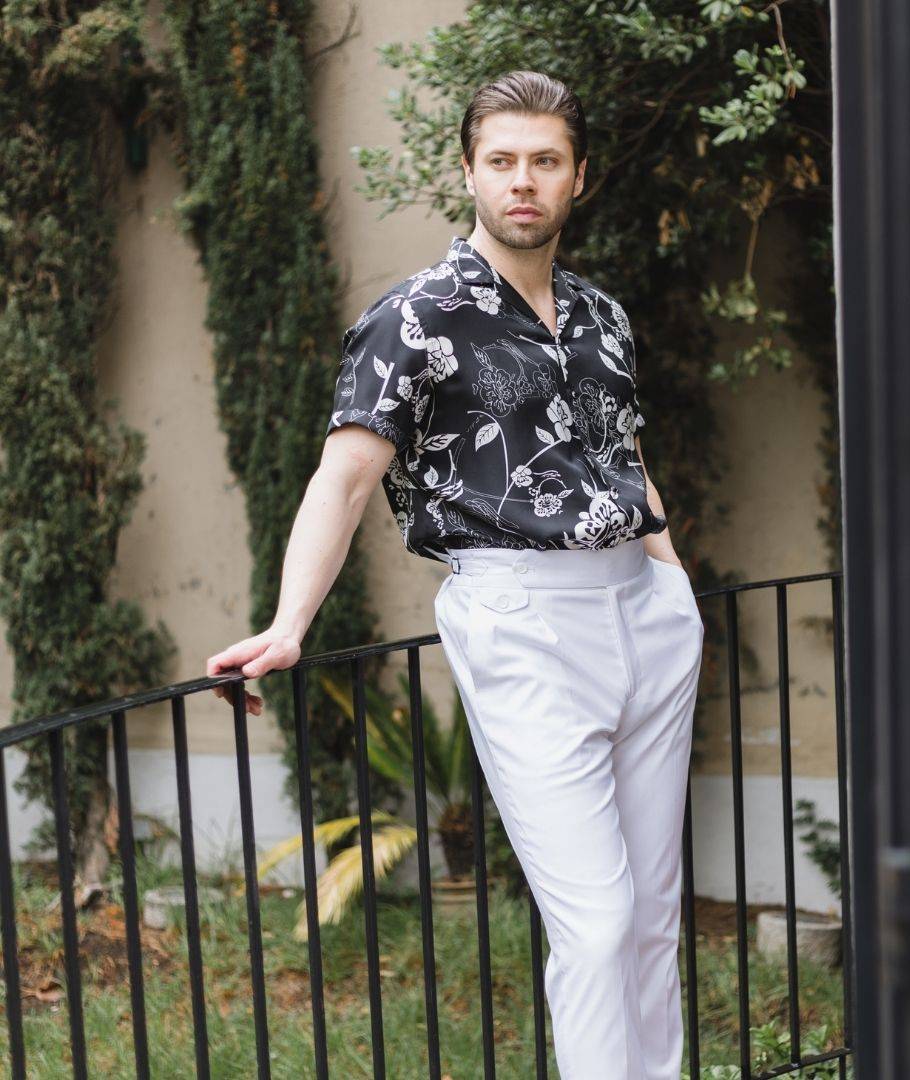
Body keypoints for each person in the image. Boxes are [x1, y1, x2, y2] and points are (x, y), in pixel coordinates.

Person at [206, 69, 705, 1080]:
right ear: (469, 172)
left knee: (652, 917)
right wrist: (291, 622)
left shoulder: (603, 316)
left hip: (646, 612)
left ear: (578, 179)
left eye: (546, 161)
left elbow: (624, 456)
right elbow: (344, 477)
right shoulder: (416, 318)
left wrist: (673, 579)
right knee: (600, 921)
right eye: (503, 161)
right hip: (523, 618)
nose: (524, 181)